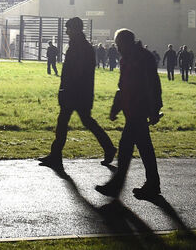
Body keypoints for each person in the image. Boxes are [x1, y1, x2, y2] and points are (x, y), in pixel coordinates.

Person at [38, 17, 117, 168]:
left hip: (74, 93)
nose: (67, 32)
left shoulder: (78, 47)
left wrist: (65, 90)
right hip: (81, 93)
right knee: (84, 122)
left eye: (68, 29)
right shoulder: (83, 46)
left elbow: (74, 72)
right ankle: (108, 148)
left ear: (74, 29)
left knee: (65, 123)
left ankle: (56, 156)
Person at [95, 29, 162, 200]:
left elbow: (153, 85)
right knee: (144, 148)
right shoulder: (129, 58)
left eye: (118, 44)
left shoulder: (142, 58)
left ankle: (117, 185)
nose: (117, 48)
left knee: (126, 148)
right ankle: (152, 184)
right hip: (132, 109)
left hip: (138, 109)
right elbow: (122, 85)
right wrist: (116, 107)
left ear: (125, 43)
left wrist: (154, 110)